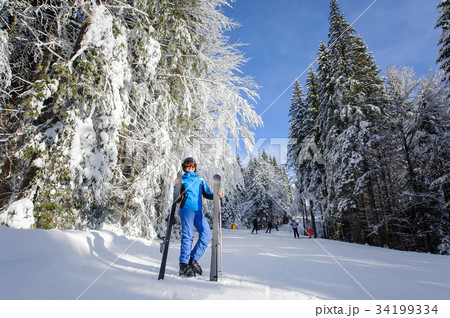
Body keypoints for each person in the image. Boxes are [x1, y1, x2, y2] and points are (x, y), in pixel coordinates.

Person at [174, 157, 222, 278]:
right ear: (184, 167)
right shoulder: (182, 180)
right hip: (186, 209)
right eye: (188, 165)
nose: (191, 167)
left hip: (198, 211)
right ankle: (183, 264)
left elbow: (207, 194)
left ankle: (193, 259)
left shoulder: (200, 180)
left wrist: (216, 195)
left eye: (193, 166)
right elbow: (177, 198)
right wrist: (176, 187)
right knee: (188, 236)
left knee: (206, 235)